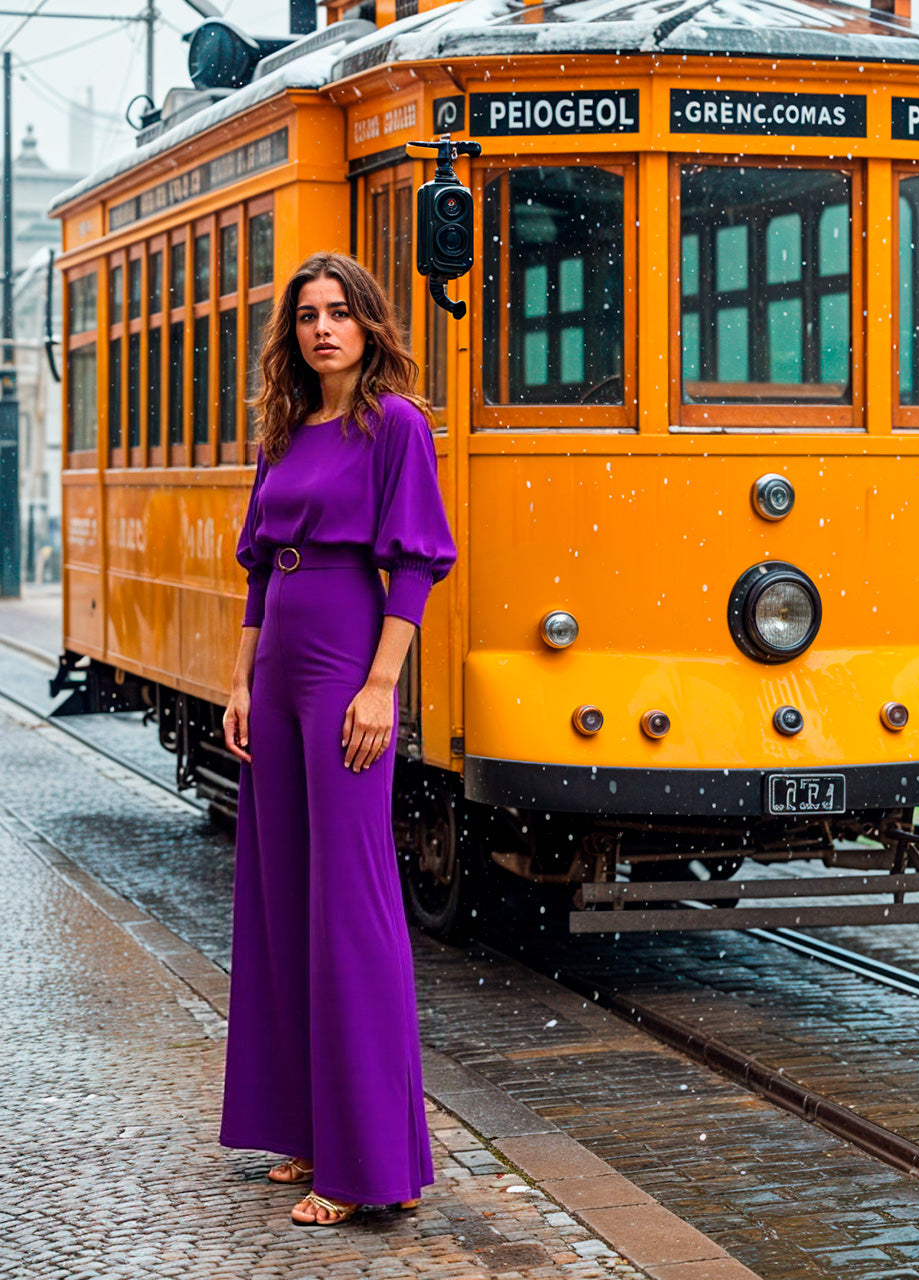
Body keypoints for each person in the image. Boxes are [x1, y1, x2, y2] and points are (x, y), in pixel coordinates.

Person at [218, 252, 457, 1227]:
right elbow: (262, 569)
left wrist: (380, 686)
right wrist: (238, 677)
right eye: (309, 315)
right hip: (277, 669)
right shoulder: (284, 428)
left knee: (351, 905)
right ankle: (308, 1126)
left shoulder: (394, 425)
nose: (323, 328)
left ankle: (370, 1164)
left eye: (340, 313)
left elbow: (416, 563)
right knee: (281, 896)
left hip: (348, 667)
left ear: (369, 325)